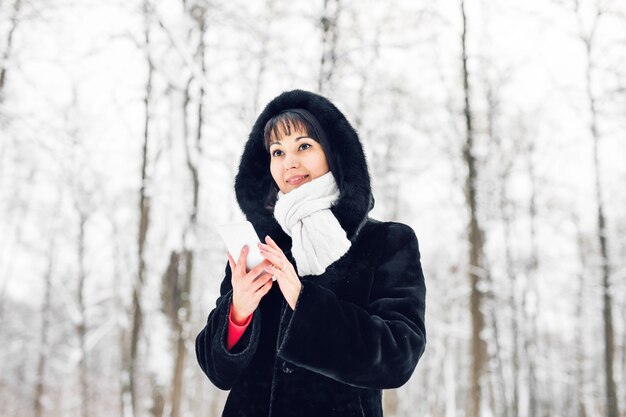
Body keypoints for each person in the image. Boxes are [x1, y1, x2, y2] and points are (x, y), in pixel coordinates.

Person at [195, 89, 426, 417]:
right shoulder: (260, 245)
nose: (290, 162)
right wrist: (239, 312)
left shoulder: (387, 241)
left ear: (334, 152)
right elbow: (217, 372)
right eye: (277, 152)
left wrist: (304, 301)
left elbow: (398, 355)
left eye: (304, 146)